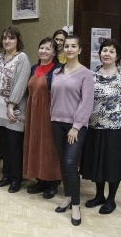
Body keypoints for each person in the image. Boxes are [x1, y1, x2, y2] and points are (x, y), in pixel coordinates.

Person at [51, 35, 94, 226]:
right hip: (57, 123)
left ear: (80, 50)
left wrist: (76, 126)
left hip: (75, 126)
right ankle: (68, 197)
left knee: (69, 163)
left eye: (73, 46)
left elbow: (87, 103)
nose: (69, 49)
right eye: (66, 46)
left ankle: (76, 205)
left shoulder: (86, 74)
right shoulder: (57, 72)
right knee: (63, 161)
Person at [80, 39, 121, 215]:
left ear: (117, 56)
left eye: (112, 51)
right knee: (97, 162)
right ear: (99, 54)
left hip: (115, 128)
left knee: (112, 164)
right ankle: (99, 196)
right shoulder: (92, 75)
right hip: (94, 126)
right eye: (105, 50)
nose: (107, 54)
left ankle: (111, 199)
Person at [0, 27, 31, 193]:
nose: (7, 41)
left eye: (11, 38)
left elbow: (21, 84)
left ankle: (16, 179)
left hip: (13, 112)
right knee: (5, 145)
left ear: (17, 41)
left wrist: (11, 105)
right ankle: (6, 175)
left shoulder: (22, 59)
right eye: (5, 38)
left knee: (15, 146)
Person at [23, 37, 62, 199]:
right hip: (33, 113)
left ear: (54, 52)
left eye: (48, 49)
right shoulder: (34, 68)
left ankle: (52, 182)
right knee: (35, 145)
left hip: (49, 114)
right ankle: (40, 179)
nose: (44, 51)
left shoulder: (59, 69)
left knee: (49, 148)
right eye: (41, 48)